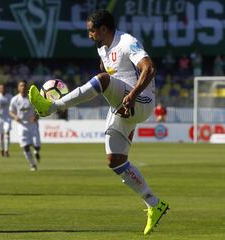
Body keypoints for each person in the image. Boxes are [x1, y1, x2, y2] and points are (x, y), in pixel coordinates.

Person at [29, 9, 168, 235]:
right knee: (115, 160)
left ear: (103, 29)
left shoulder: (127, 42)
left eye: (91, 30)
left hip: (141, 100)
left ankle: (52, 106)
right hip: (122, 105)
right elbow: (110, 71)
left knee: (102, 80)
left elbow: (149, 68)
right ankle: (154, 203)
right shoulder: (102, 48)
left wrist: (131, 96)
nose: (89, 35)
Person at [9, 80, 41, 171]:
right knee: (25, 146)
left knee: (36, 145)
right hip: (22, 125)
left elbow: (39, 109)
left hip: (33, 124)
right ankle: (32, 165)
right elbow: (11, 111)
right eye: (21, 86)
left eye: (24, 86)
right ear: (18, 88)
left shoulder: (32, 98)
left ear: (27, 87)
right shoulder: (14, 99)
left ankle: (36, 151)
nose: (22, 87)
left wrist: (36, 117)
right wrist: (15, 116)